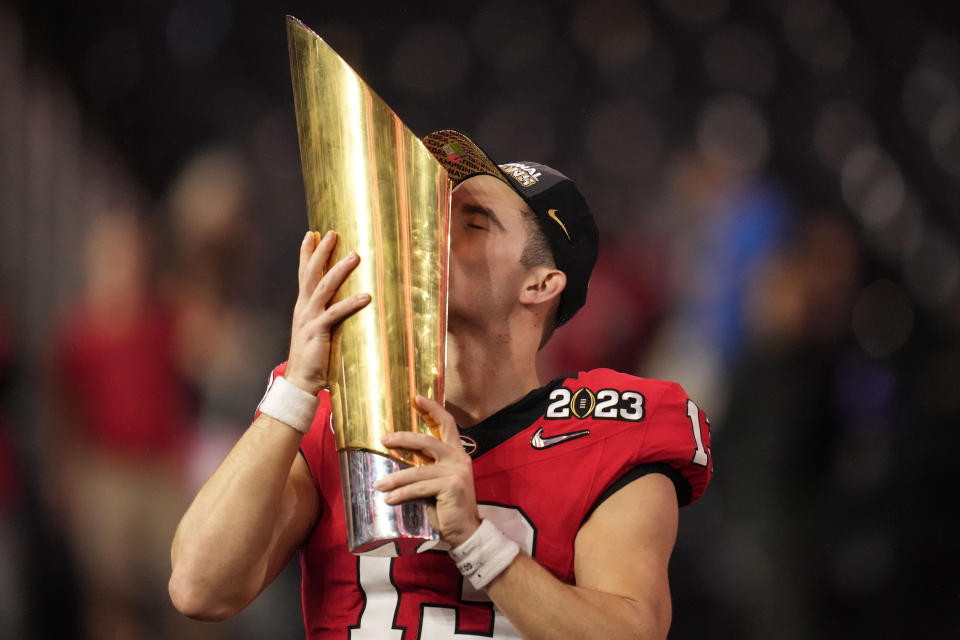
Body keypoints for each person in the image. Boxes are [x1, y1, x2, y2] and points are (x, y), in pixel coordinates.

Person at [169, 130, 713, 639]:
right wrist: (296, 389)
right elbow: (200, 589)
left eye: (473, 223)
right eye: (433, 210)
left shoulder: (609, 428)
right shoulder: (338, 406)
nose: (430, 228)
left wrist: (475, 539)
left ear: (540, 284)